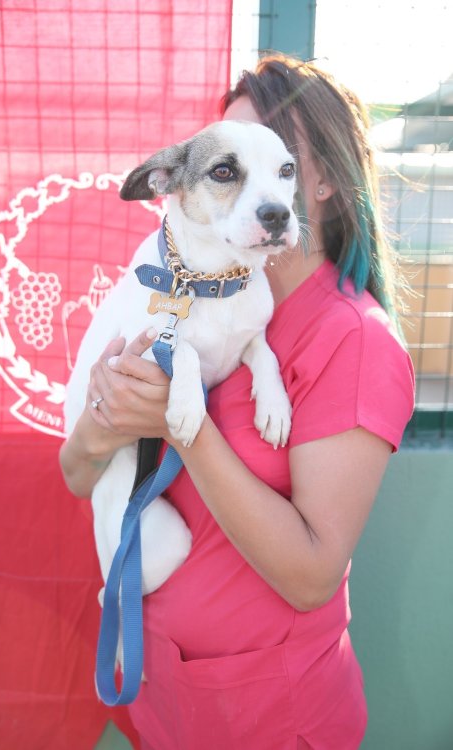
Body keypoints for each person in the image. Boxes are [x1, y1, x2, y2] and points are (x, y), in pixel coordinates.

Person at [60, 53, 415, 749]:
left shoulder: (355, 340)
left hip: (268, 716)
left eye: (278, 165)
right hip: (171, 697)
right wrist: (103, 424)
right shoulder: (187, 297)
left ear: (320, 180)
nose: (260, 189)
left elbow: (311, 577)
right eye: (229, 168)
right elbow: (78, 476)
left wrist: (180, 425)